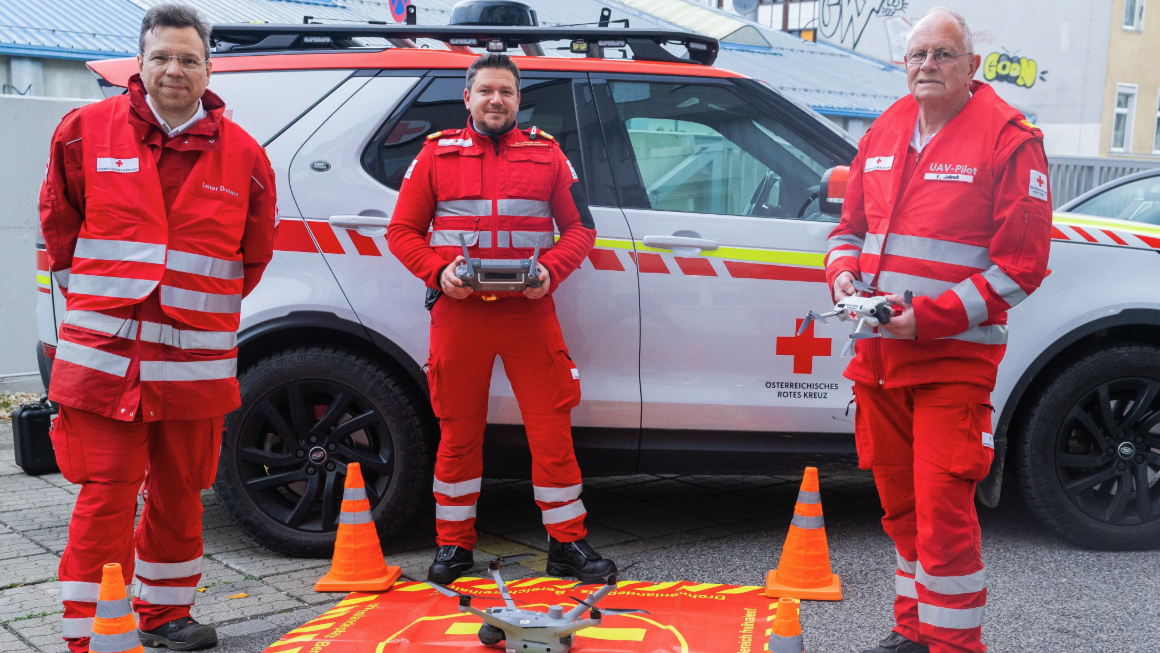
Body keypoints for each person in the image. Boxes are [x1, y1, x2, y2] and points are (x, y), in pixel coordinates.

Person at [39, 4, 277, 651]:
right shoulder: (84, 131)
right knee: (106, 496)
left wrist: (195, 307)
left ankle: (166, 615)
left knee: (179, 493)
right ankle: (92, 631)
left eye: (188, 58)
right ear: (139, 65)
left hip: (194, 368)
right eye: (161, 57)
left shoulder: (247, 156)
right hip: (103, 360)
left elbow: (252, 257)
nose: (175, 69)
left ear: (209, 66)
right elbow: (59, 229)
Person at [825, 8, 1051, 653]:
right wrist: (842, 279)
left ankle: (955, 646)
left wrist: (929, 317)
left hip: (953, 362)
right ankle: (913, 632)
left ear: (971, 66)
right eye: (918, 54)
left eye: (943, 55)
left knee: (944, 515)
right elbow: (848, 233)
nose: (927, 65)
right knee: (901, 511)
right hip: (876, 357)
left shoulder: (1010, 140)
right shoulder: (886, 129)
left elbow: (1021, 268)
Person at [387, 53, 616, 584]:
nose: (496, 100)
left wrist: (551, 272)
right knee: (457, 433)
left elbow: (581, 230)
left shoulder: (549, 154)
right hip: (460, 312)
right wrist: (437, 272)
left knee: (551, 429)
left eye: (506, 92)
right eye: (486, 90)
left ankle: (567, 545)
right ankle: (453, 547)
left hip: (528, 312)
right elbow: (401, 232)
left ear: (518, 99)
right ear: (467, 97)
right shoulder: (435, 155)